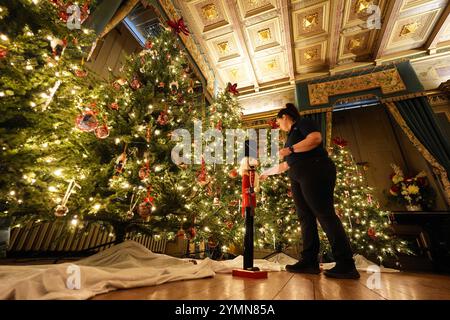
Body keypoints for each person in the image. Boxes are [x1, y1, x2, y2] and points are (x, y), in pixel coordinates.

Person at [260, 103, 360, 279]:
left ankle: (346, 264)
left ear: (285, 117)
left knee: (324, 214)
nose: (279, 125)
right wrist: (266, 173)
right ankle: (309, 261)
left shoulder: (302, 123)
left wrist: (290, 149)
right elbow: (287, 164)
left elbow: (315, 139)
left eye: (278, 121)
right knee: (305, 217)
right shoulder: (291, 136)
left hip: (315, 170)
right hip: (298, 175)